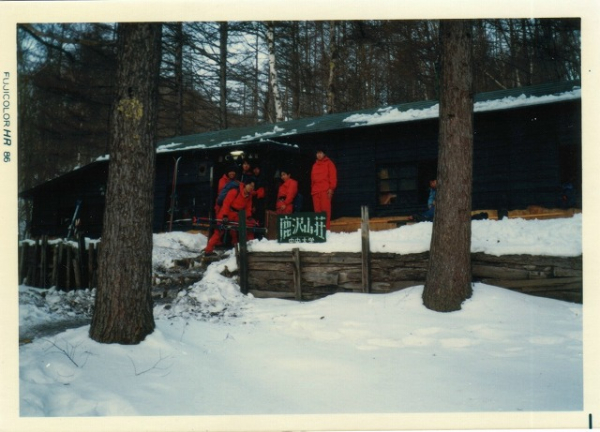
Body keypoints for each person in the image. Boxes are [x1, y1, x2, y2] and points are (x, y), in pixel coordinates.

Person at [204, 180, 256, 255]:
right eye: (250, 185)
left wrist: (249, 216)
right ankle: (208, 250)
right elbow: (226, 203)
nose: (251, 188)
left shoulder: (249, 196)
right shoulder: (234, 191)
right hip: (227, 212)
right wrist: (225, 215)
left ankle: (250, 249)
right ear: (245, 185)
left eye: (253, 186)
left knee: (249, 226)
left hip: (237, 214)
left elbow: (248, 208)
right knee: (219, 231)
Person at [311, 149, 337, 230]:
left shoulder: (329, 163)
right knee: (317, 213)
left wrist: (331, 188)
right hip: (316, 192)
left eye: (321, 153)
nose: (319, 154)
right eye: (317, 153)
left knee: (325, 212)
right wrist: (313, 190)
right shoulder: (314, 165)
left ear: (324, 154)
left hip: (325, 191)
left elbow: (333, 177)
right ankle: (319, 231)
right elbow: (312, 179)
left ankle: (326, 231)